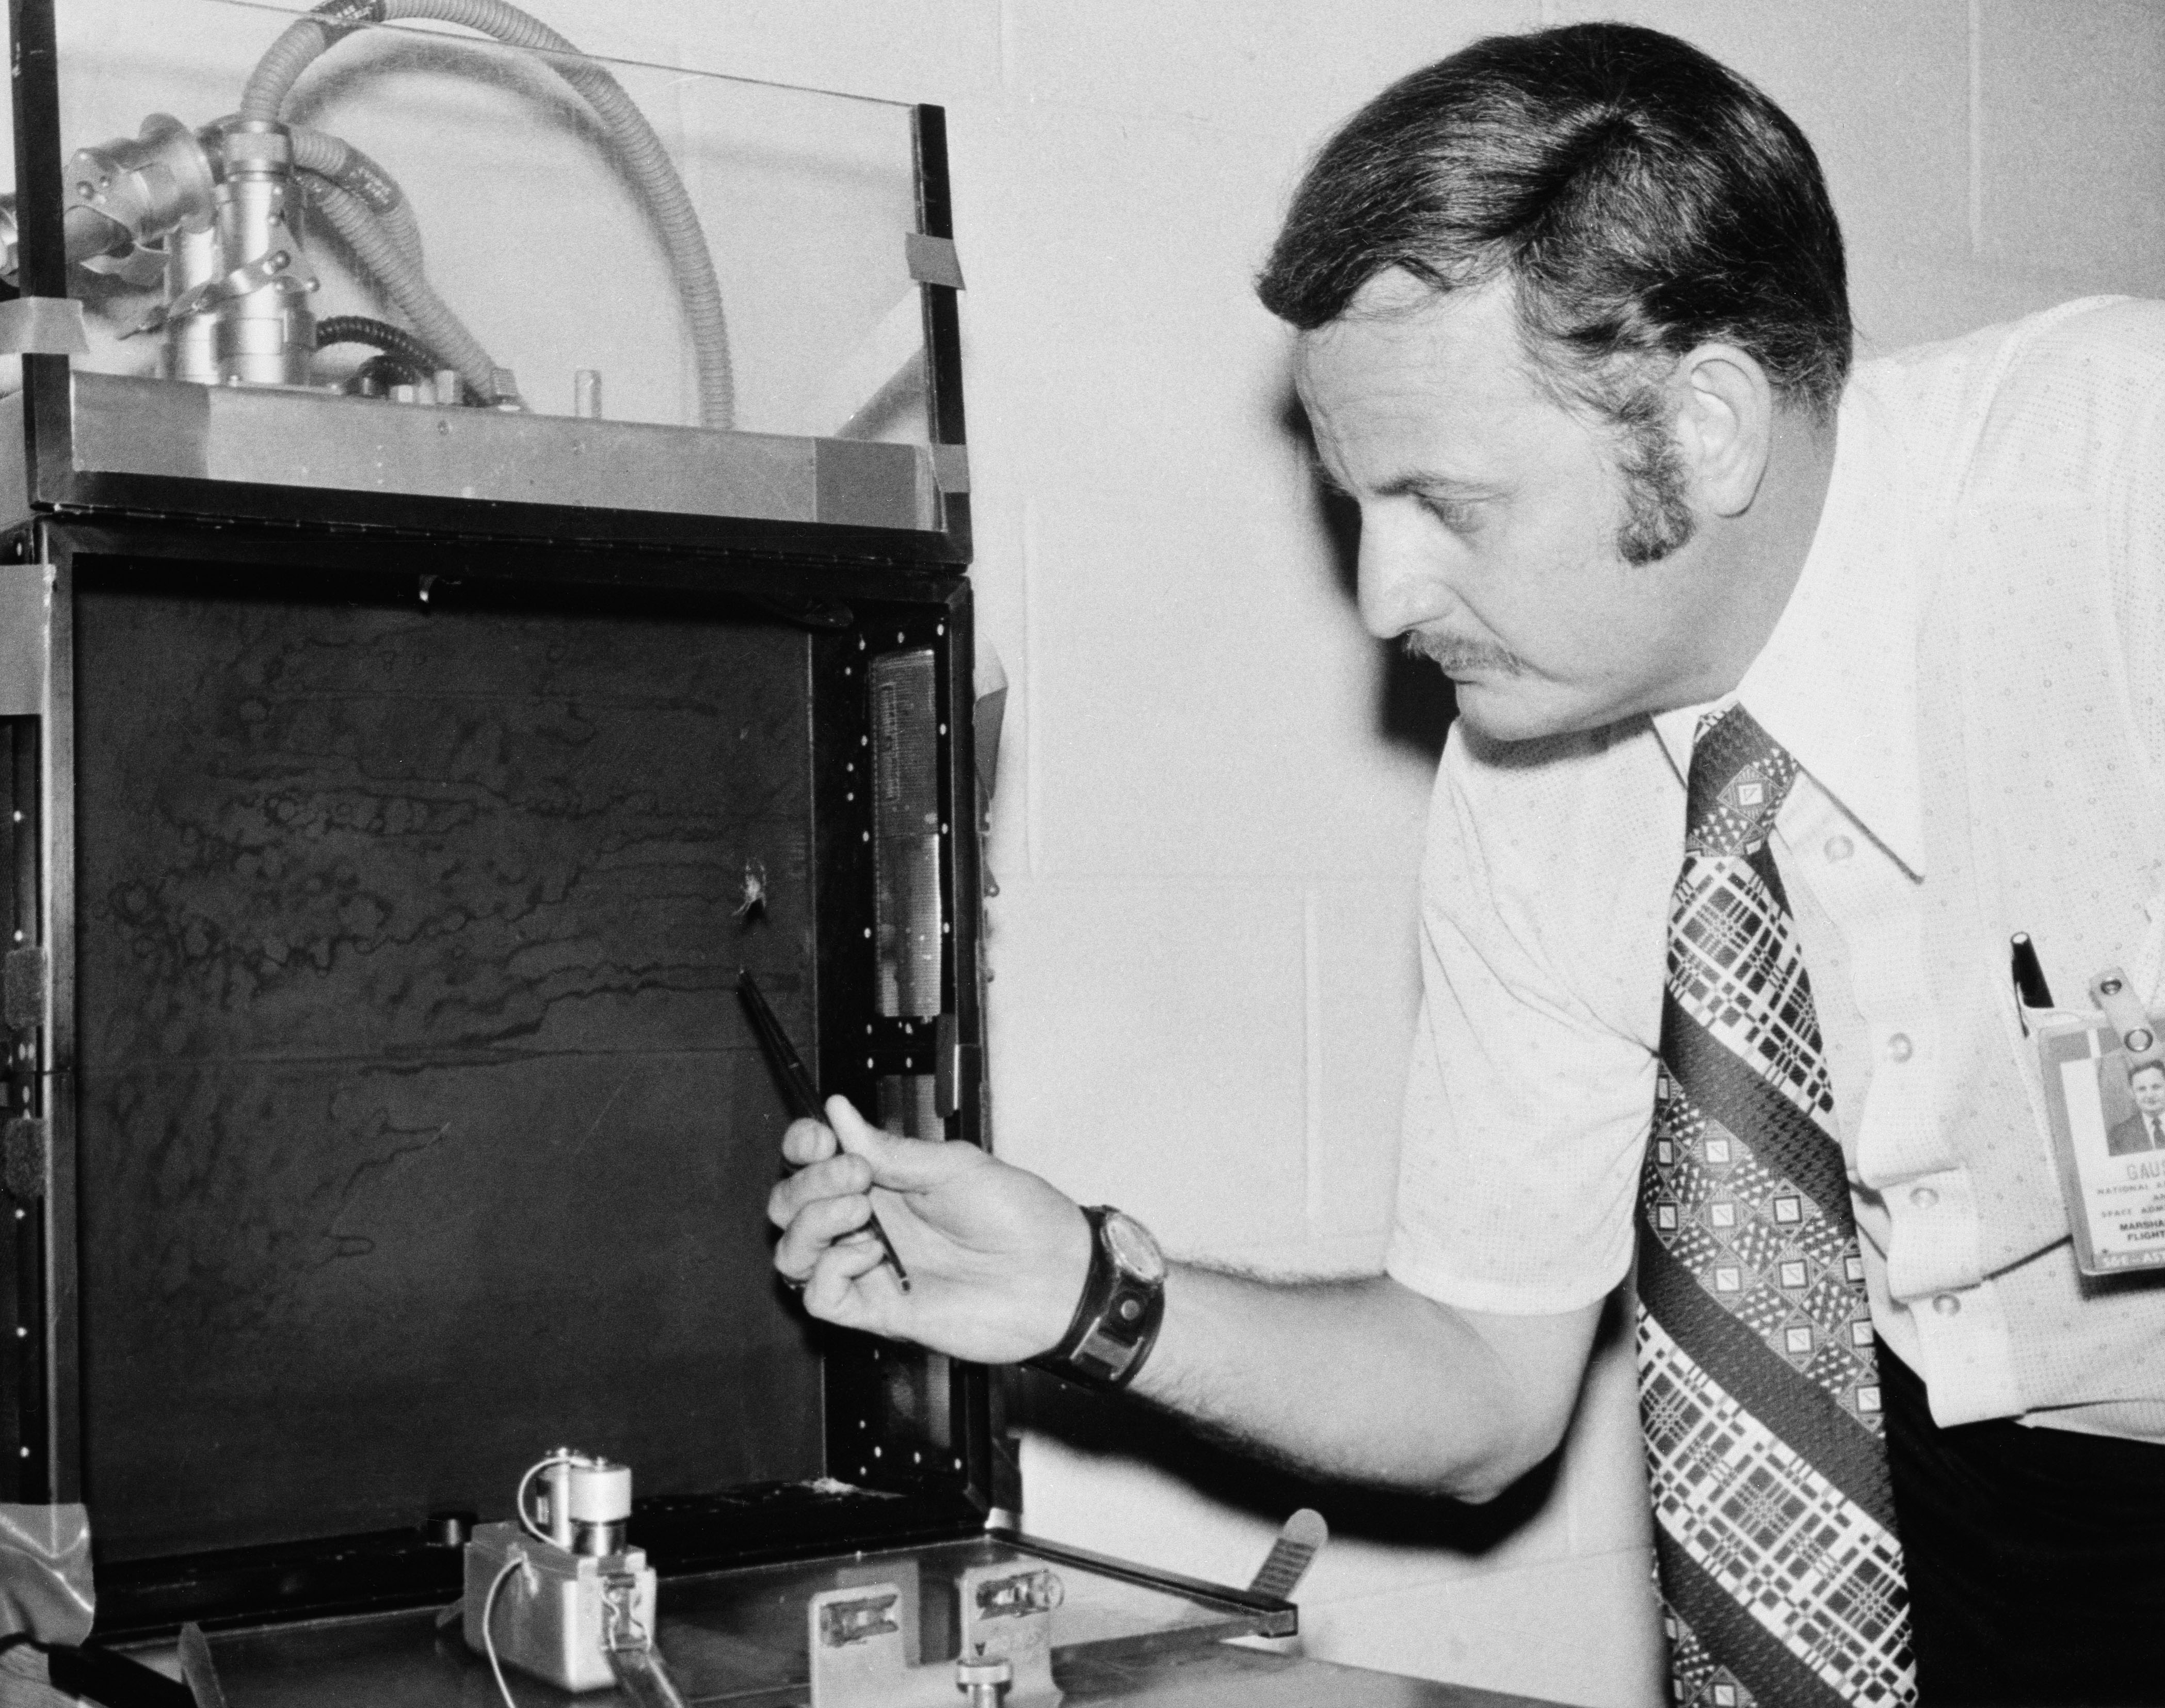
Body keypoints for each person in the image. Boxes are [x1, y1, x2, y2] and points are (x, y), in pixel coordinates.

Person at [769, 22, 2165, 1708]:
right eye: (1357, 506)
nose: (1382, 598)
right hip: (1967, 1522)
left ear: (1706, 428)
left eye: (1446, 504)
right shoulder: (1536, 767)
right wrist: (1082, 1288)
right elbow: (1479, 1380)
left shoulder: (2113, 485)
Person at [2107, 1060, 2165, 1156]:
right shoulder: (2118, 1136)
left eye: (2156, 1087)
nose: (2150, 1095)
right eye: (2142, 1089)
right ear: (2132, 1093)